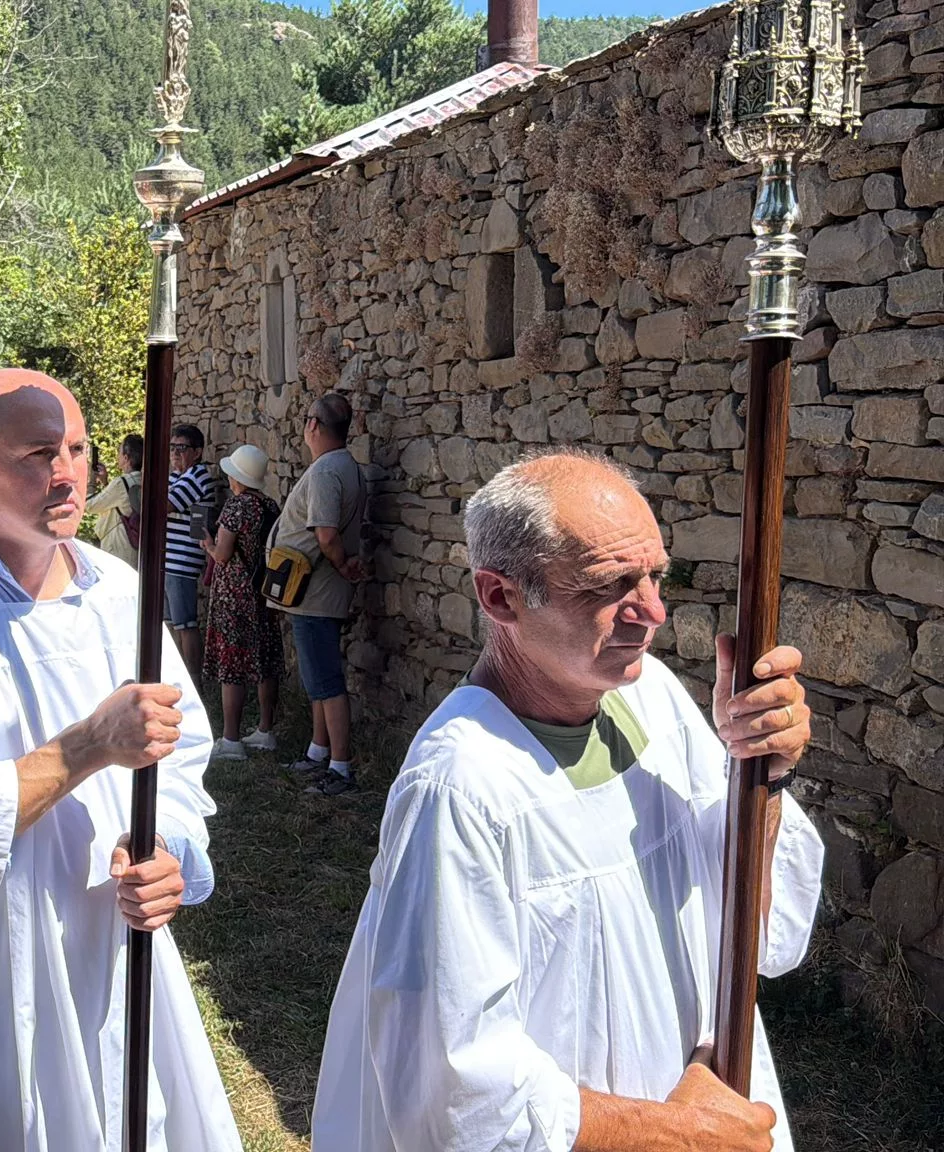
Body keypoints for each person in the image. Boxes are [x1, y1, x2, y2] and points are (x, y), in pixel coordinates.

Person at [310, 450, 821, 1152]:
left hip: (712, 1104)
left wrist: (763, 773)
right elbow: (455, 1082)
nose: (654, 612)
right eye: (611, 586)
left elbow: (753, 927)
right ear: (501, 598)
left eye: (655, 575)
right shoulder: (461, 787)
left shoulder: (656, 700)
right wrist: (679, 1132)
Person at [0, 368, 239, 1152]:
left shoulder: (120, 595)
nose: (66, 473)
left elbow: (183, 752)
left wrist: (166, 850)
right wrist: (91, 744)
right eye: (36, 453)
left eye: (77, 448)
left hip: (120, 955)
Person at [269, 392, 366, 795]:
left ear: (313, 426)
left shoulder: (327, 471)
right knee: (316, 678)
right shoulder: (340, 466)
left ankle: (340, 767)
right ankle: (317, 750)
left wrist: (342, 565)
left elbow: (325, 534)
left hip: (316, 591)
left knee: (325, 680)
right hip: (311, 592)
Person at [200, 443, 281, 759]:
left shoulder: (235, 508)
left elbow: (222, 555)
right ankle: (265, 729)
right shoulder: (270, 506)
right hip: (262, 591)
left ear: (237, 477)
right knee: (265, 658)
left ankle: (231, 739)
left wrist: (208, 543)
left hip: (234, 595)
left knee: (232, 664)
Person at [164, 423, 211, 683]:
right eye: (172, 448)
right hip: (169, 560)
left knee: (185, 625)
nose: (175, 453)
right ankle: (175, 678)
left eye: (181, 448)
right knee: (171, 624)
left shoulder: (198, 476)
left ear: (197, 452)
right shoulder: (176, 476)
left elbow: (163, 505)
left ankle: (194, 681)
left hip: (181, 562)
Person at [84, 433, 144, 565]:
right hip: (133, 547)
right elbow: (119, 502)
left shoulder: (121, 483)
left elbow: (90, 505)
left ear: (126, 458)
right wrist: (105, 482)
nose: (118, 455)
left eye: (119, 452)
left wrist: (92, 482)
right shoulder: (142, 480)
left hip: (117, 546)